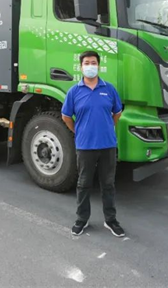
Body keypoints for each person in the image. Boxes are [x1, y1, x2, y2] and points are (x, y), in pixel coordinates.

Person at [62, 50, 124, 238]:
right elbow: (66, 116)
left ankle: (111, 220)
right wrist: (79, 131)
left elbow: (117, 113)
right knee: (83, 184)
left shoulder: (109, 89)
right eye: (87, 63)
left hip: (107, 145)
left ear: (99, 65)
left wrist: (105, 128)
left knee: (108, 184)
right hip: (85, 146)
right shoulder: (74, 91)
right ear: (81, 67)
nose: (90, 66)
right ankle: (82, 219)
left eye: (93, 63)